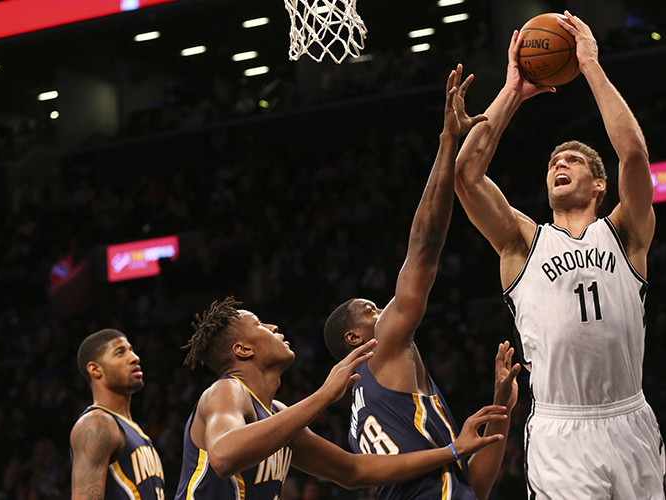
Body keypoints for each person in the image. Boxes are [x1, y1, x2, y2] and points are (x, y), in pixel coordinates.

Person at [454, 11, 665, 499]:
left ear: (599, 183)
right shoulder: (523, 241)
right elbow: (466, 175)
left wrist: (589, 65)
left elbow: (633, 154)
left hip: (629, 418)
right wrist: (512, 91)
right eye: (553, 162)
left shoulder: (626, 232)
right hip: (560, 427)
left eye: (572, 160)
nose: (558, 164)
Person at [323, 64, 521, 500]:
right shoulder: (382, 351)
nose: (388, 310)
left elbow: (476, 485)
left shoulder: (383, 407)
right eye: (374, 310)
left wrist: (501, 408)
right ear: (355, 337)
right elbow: (425, 248)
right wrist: (448, 142)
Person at [175, 296, 508, 500]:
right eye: (261, 324)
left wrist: (451, 452)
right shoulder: (225, 391)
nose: (275, 327)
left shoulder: (276, 415)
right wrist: (323, 395)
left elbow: (353, 470)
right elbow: (223, 455)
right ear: (243, 350)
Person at [70, 328, 166, 500]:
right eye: (120, 353)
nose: (135, 358)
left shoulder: (136, 431)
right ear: (95, 369)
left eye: (131, 350)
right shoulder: (96, 423)